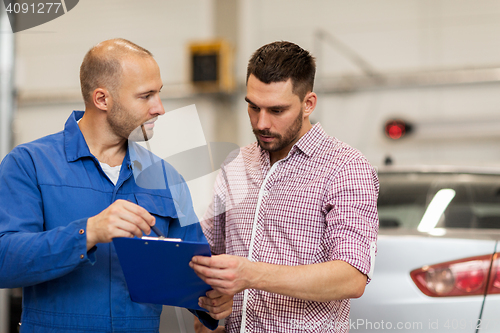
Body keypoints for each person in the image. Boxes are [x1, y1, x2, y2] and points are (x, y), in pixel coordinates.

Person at [0, 38, 231, 332]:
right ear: (102, 99)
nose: (159, 108)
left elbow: (193, 270)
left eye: (159, 94)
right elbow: (3, 259)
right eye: (145, 96)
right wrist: (89, 232)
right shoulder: (29, 164)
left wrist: (214, 298)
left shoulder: (166, 178)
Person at [190, 41, 379, 333]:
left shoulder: (345, 167)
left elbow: (351, 277)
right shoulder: (236, 163)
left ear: (308, 104)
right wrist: (208, 314)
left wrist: (251, 274)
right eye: (253, 107)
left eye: (277, 110)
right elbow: (208, 251)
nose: (262, 122)